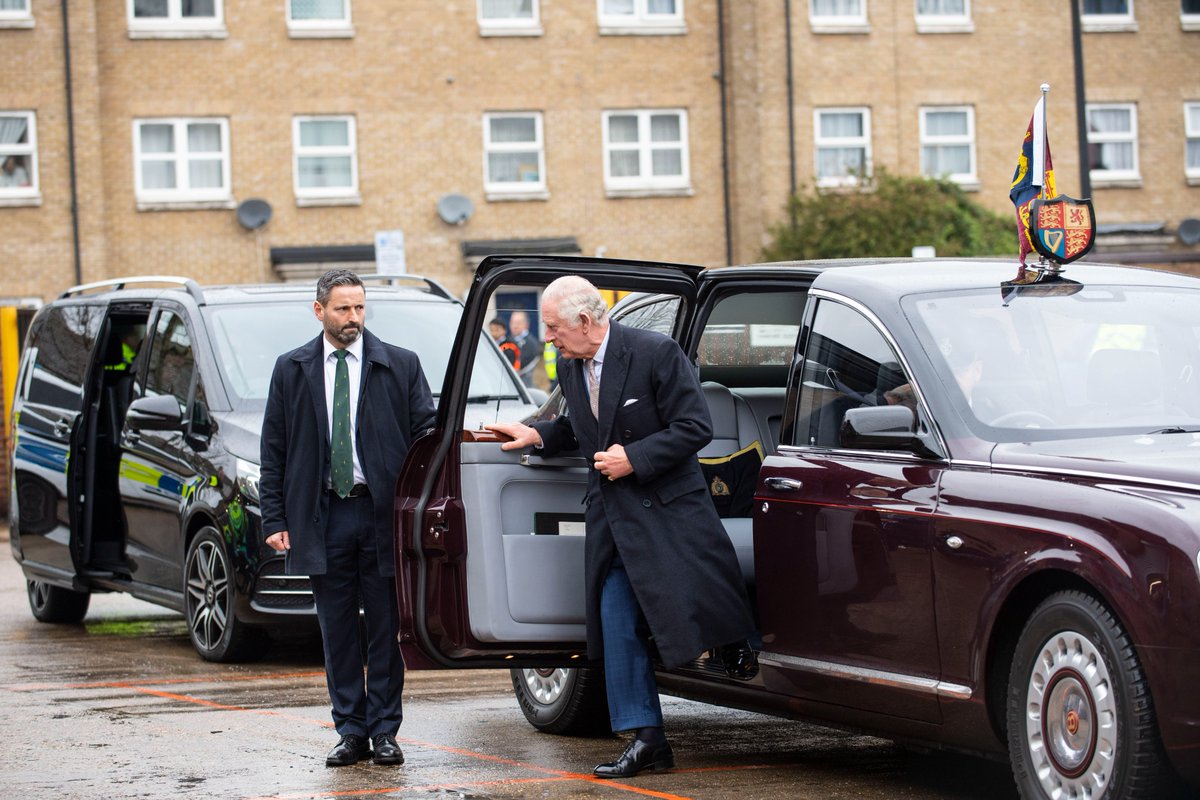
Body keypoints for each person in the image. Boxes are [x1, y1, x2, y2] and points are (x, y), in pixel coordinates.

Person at [485, 275, 758, 780]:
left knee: (697, 598)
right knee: (613, 622)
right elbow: (576, 428)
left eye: (553, 327)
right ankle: (647, 739)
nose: (548, 338)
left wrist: (634, 457)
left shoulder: (655, 352)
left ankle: (739, 645)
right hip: (612, 517)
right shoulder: (570, 366)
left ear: (585, 321)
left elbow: (695, 425)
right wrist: (536, 434)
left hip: (668, 509)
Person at [259, 269, 436, 768]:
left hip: (381, 516)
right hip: (322, 516)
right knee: (335, 629)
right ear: (320, 311)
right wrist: (275, 517)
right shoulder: (291, 368)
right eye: (343, 309)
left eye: (359, 307)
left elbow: (426, 440)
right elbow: (273, 449)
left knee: (384, 626)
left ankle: (384, 731)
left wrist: (417, 514)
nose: (353, 317)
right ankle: (350, 731)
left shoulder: (399, 365)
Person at [508, 310, 541, 386]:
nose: (515, 326)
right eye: (512, 322)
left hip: (526, 388)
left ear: (526, 325)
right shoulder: (508, 340)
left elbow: (517, 366)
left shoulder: (531, 344)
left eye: (518, 323)